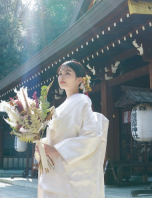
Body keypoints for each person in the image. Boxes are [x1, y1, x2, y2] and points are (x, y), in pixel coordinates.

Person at [35, 60, 109, 198]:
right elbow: (57, 135)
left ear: (79, 80)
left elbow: (91, 136)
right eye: (60, 73)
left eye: (67, 73)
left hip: (69, 169)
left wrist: (58, 149)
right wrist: (42, 145)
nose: (62, 77)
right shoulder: (59, 107)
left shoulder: (83, 101)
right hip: (55, 168)